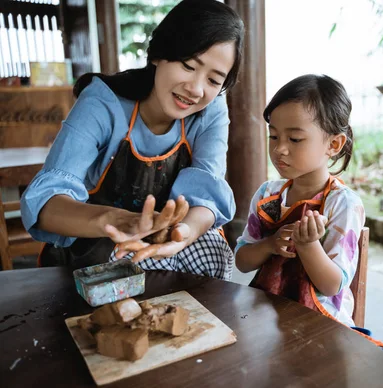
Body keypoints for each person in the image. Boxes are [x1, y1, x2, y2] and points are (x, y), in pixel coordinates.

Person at [20, 0, 244, 279]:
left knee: (213, 249)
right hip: (98, 243)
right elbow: (47, 203)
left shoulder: (210, 111)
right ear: (158, 54)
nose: (196, 89)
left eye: (214, 80)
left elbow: (207, 197)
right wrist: (116, 221)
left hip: (166, 240)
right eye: (188, 65)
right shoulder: (102, 103)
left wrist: (182, 233)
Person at [234, 74, 383, 361]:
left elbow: (333, 285)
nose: (279, 148)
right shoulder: (267, 196)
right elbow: (242, 260)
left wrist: (309, 246)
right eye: (273, 135)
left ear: (333, 145)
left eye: (295, 138)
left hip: (322, 326)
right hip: (266, 319)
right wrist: (270, 245)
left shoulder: (342, 205)